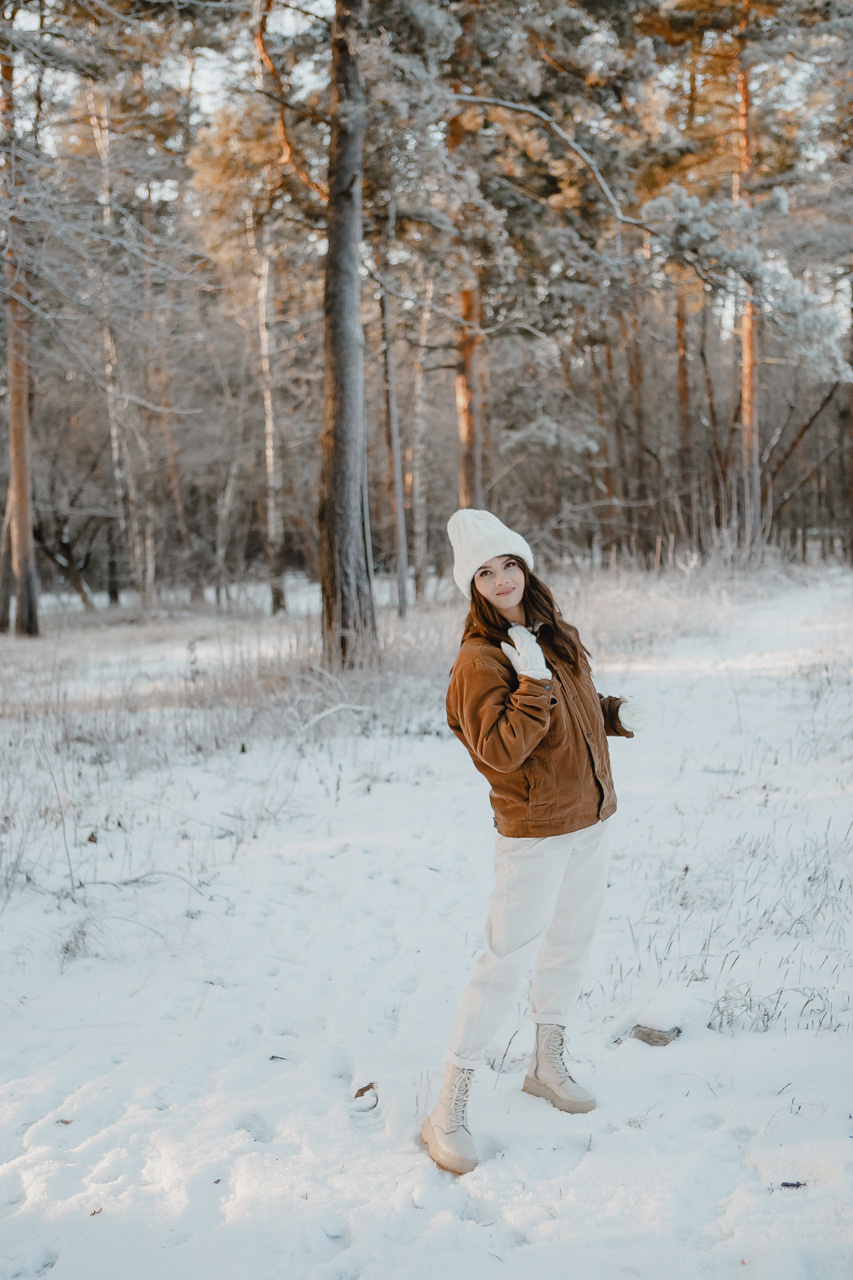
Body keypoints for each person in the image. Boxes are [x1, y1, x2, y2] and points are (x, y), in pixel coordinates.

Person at [420, 508, 646, 1176]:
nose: (499, 580)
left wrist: (612, 715)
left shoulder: (551, 631)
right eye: (483, 573)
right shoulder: (478, 660)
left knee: (567, 948)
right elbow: (499, 753)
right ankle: (448, 1107)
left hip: (590, 818)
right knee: (503, 964)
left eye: (507, 564)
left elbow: (574, 710)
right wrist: (532, 685)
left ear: (524, 565)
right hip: (535, 834)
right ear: (471, 585)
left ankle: (545, 1066)